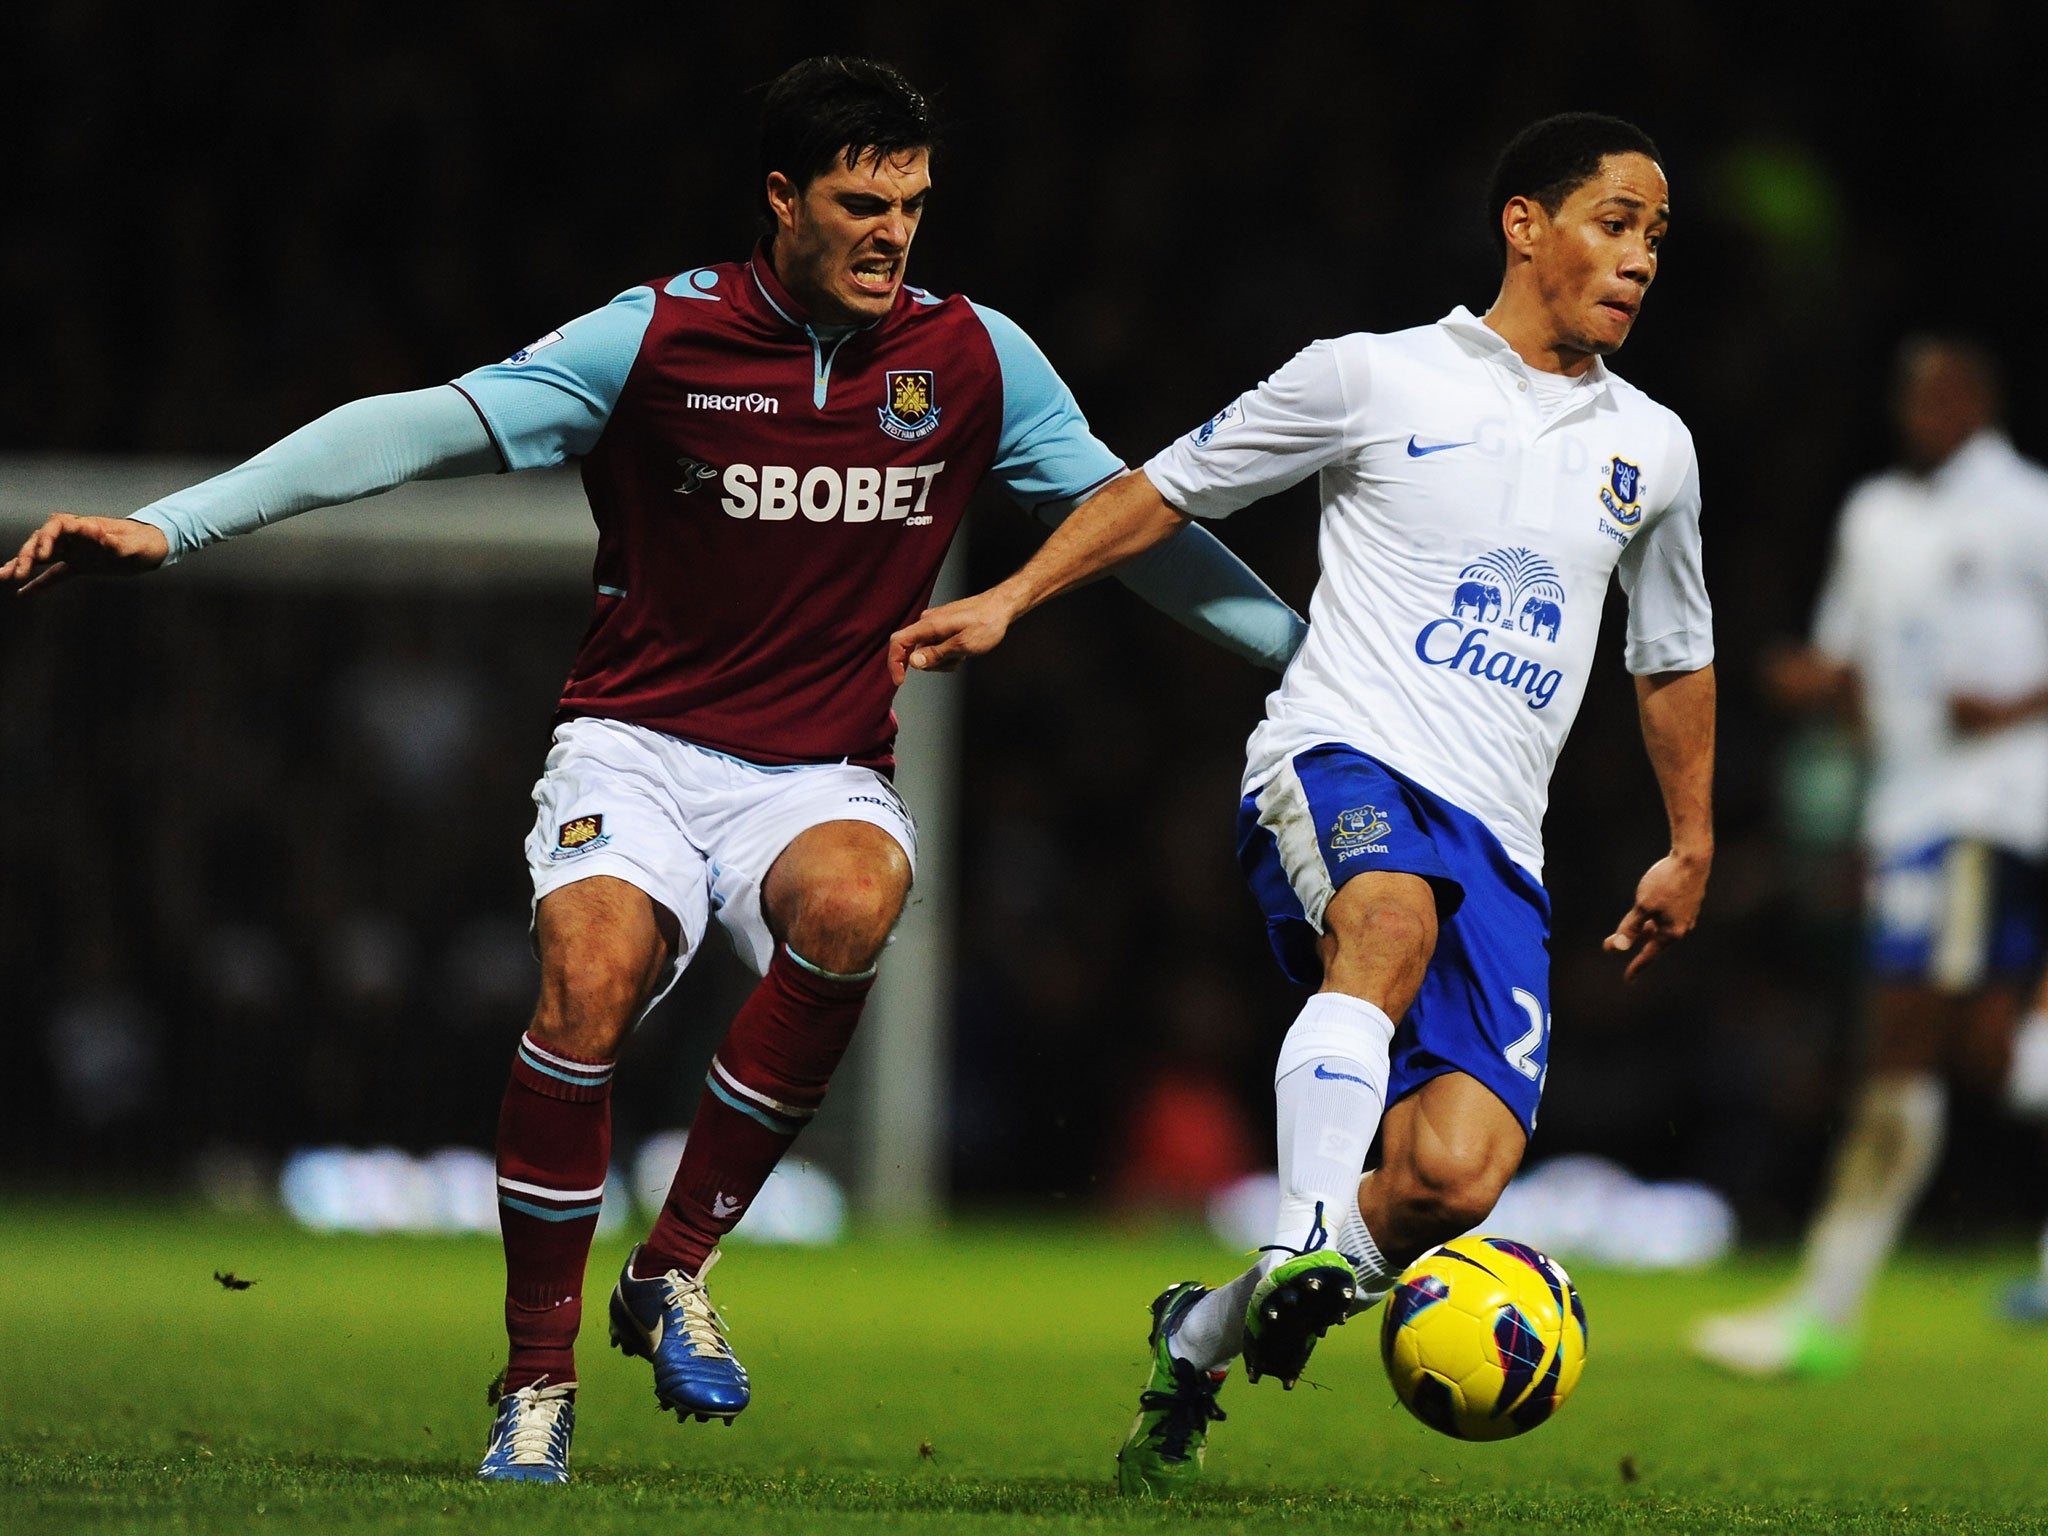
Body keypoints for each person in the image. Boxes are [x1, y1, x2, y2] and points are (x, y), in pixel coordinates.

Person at [3, 56, 1308, 1484]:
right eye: (863, 202)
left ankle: (673, 1268)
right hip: (637, 745)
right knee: (588, 978)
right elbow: (423, 423)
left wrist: (1309, 658)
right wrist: (176, 526)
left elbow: (1143, 525)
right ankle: (535, 1381)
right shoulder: (656, 339)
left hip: (817, 767)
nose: (895, 234)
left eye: (915, 205)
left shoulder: (975, 357)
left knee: (856, 898)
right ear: (779, 198)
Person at [891, 112, 1714, 1494]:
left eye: (1656, 239)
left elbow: (1671, 651)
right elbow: (1165, 486)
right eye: (1615, 222)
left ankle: (1200, 1335)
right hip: (1345, 755)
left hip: (1504, 839)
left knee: (1455, 1179)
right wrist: (1013, 598)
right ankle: (1301, 1231)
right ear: (1524, 223)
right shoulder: (1370, 377)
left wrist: (1690, 842)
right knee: (1379, 926)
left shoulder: (1657, 450)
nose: (1639, 260)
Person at [1692, 338, 2048, 1376]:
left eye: (1943, 392)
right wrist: (1817, 686)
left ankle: (1821, 1312)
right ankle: (1822, 1309)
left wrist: (2015, 704)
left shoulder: (2025, 504)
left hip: (1991, 806)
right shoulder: (1872, 519)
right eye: (1910, 396)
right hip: (1902, 812)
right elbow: (1851, 667)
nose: (1923, 411)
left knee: (1898, 1044)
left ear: (1979, 398)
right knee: (1987, 1052)